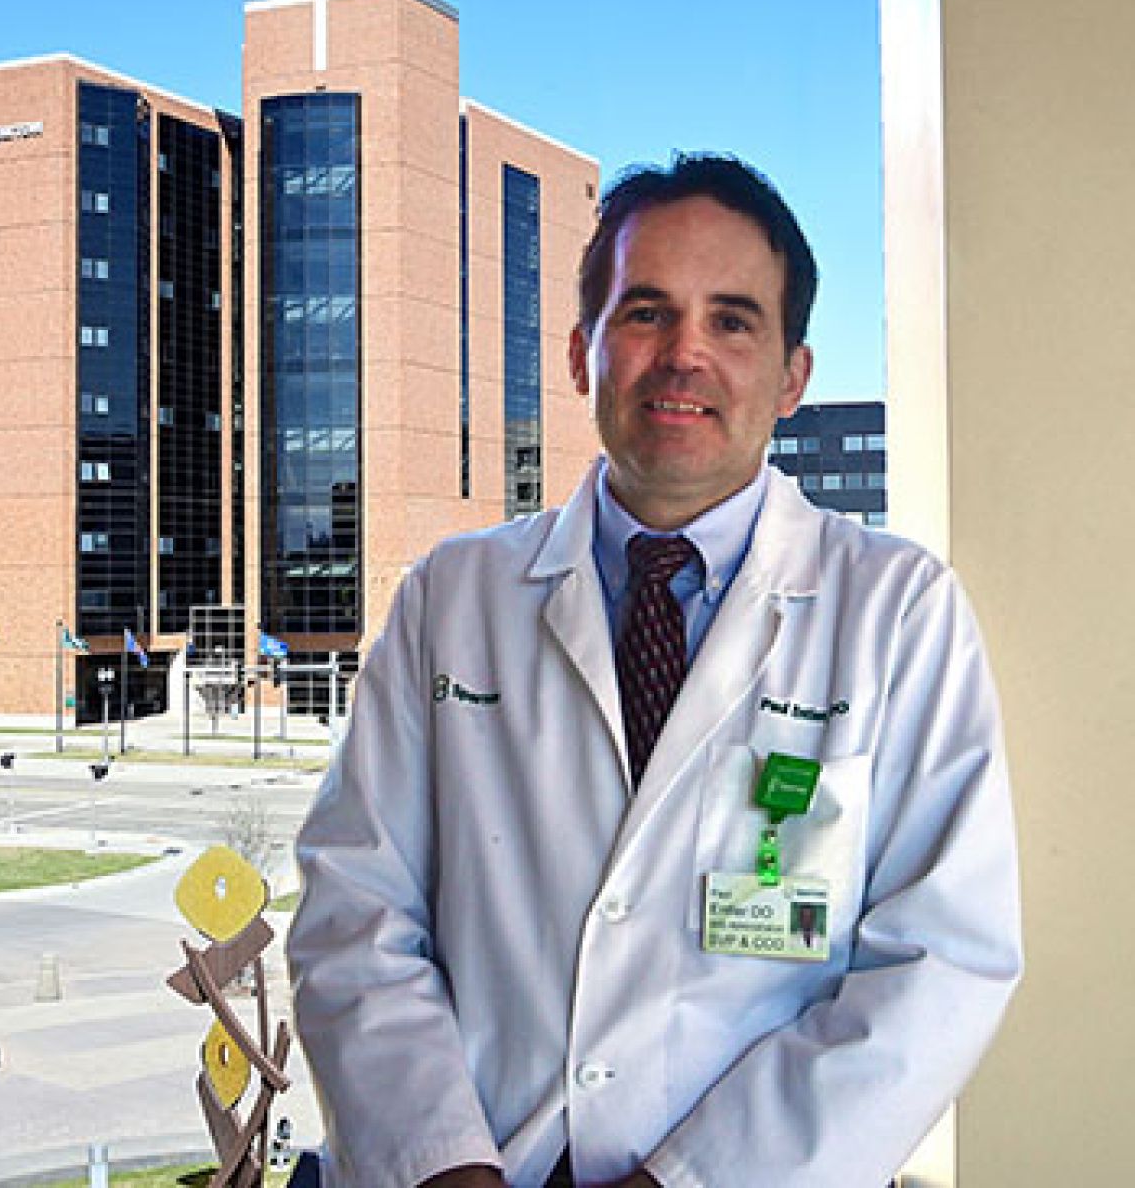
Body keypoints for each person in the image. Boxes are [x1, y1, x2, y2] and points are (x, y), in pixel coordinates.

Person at [286, 154, 1022, 1188]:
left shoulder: (895, 611)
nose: (684, 355)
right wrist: (443, 1166)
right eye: (644, 313)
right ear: (583, 355)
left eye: (731, 320)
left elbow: (940, 961)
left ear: (792, 375)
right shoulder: (450, 600)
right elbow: (355, 913)